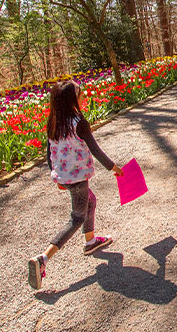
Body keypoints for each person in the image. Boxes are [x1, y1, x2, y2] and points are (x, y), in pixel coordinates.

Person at [28, 81, 123, 290]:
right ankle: (42, 259)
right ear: (72, 99)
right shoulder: (78, 121)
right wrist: (113, 167)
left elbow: (49, 153)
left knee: (91, 201)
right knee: (76, 218)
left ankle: (90, 242)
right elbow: (95, 150)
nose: (83, 97)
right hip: (78, 177)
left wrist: (55, 176)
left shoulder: (54, 121)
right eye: (81, 94)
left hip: (63, 176)